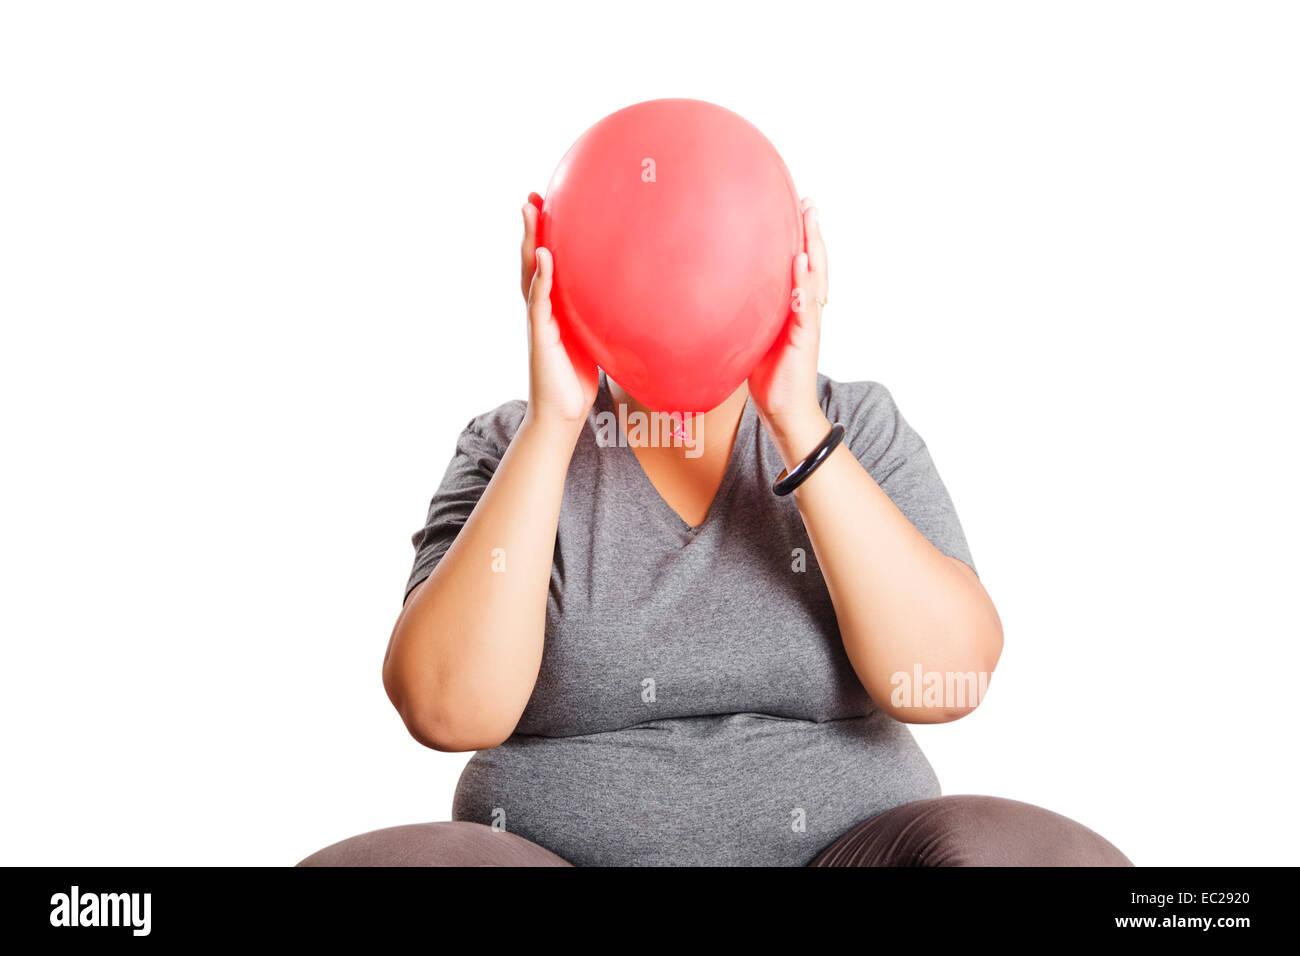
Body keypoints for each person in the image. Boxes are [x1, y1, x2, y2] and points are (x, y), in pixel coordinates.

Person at [300, 194, 1131, 867]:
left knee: (1034, 857)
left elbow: (944, 677)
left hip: (849, 858)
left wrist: (795, 420)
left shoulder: (854, 425)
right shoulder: (507, 445)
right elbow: (446, 710)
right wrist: (555, 421)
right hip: (555, 860)